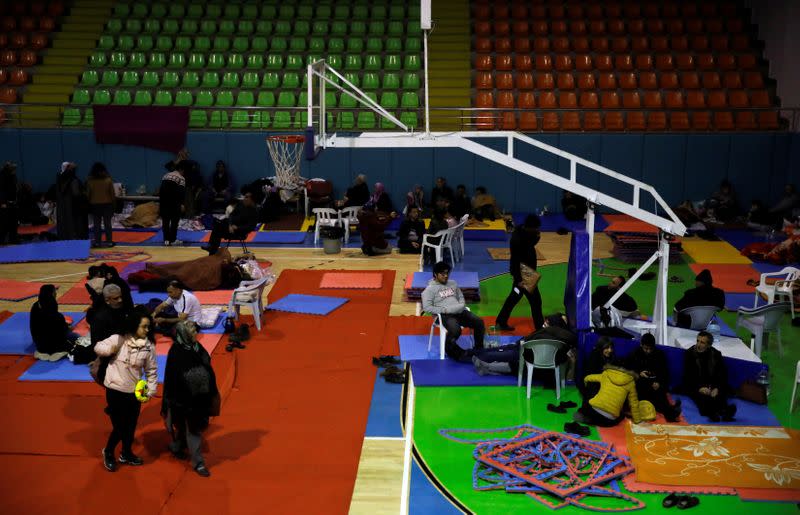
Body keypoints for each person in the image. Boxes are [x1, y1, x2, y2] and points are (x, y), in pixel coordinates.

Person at [96, 309, 158, 472]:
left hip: (134, 393)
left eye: (148, 327)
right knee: (120, 427)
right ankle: (108, 452)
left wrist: (150, 391)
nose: (147, 330)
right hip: (115, 391)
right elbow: (98, 347)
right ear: (133, 326)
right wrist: (108, 349)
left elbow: (151, 371)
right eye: (144, 327)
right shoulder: (118, 339)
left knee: (131, 426)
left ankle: (126, 453)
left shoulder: (149, 346)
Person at [161, 321, 219, 477]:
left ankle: (184, 452)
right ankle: (193, 459)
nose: (196, 334)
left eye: (195, 331)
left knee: (192, 429)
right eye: (192, 332)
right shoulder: (176, 353)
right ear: (184, 335)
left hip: (199, 399)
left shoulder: (197, 347)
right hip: (181, 400)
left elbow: (207, 365)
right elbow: (172, 378)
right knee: (186, 427)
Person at [471, 314, 576, 377]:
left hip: (527, 354)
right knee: (505, 351)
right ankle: (482, 359)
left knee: (506, 353)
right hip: (529, 353)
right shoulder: (562, 337)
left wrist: (521, 344)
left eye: (547, 322)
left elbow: (530, 341)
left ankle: (481, 358)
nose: (545, 323)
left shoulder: (549, 333)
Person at [421, 261, 485, 361]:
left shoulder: (453, 283)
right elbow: (427, 307)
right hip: (445, 316)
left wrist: (461, 305)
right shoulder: (430, 290)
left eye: (447, 273)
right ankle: (452, 351)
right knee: (455, 330)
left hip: (460, 312)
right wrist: (444, 310)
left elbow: (461, 297)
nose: (446, 276)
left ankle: (479, 350)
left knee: (479, 322)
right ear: (435, 274)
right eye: (442, 274)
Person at [495, 214, 544, 331]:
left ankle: (501, 321)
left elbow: (531, 244)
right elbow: (516, 260)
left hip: (525, 272)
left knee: (514, 296)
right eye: (536, 228)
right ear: (530, 228)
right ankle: (540, 328)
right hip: (524, 274)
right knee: (536, 301)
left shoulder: (523, 231)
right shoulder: (519, 240)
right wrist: (519, 279)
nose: (538, 230)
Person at [625, 333, 682, 422]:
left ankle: (670, 413)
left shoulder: (659, 355)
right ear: (641, 345)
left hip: (655, 383)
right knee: (636, 395)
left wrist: (659, 382)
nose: (648, 351)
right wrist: (639, 373)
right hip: (640, 383)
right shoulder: (635, 353)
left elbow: (664, 373)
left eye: (650, 349)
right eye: (646, 348)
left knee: (660, 396)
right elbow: (628, 369)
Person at [682, 331, 737, 422]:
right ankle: (712, 412)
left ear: (709, 345)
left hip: (712, 384)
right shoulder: (689, 353)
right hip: (696, 385)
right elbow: (688, 376)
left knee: (721, 393)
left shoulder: (716, 354)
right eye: (698, 341)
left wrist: (716, 388)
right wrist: (699, 388)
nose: (698, 344)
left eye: (702, 342)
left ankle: (725, 411)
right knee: (701, 397)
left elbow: (722, 374)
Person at [575, 364, 647, 427]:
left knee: (586, 405)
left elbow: (588, 378)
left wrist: (585, 384)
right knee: (622, 415)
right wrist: (637, 420)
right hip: (608, 421)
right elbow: (634, 403)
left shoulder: (606, 374)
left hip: (593, 412)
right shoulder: (631, 382)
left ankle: (588, 417)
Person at [29, 284, 79, 361]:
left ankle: (43, 352)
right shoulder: (57, 316)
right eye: (55, 292)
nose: (56, 294)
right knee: (76, 337)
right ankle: (60, 352)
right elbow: (62, 332)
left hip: (39, 344)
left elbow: (33, 327)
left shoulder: (35, 307)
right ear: (52, 294)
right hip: (56, 346)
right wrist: (68, 328)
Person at [201, 190, 259, 255]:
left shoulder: (254, 212)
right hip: (230, 228)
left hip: (240, 232)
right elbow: (231, 215)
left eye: (246, 197)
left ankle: (212, 250)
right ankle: (212, 249)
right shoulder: (241, 204)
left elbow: (251, 227)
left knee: (217, 229)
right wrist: (230, 225)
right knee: (217, 224)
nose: (244, 199)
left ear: (252, 200)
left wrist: (237, 227)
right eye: (244, 197)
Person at [85, 284, 132, 364]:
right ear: (107, 300)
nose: (120, 300)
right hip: (108, 348)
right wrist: (98, 358)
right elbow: (96, 341)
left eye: (120, 297)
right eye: (116, 298)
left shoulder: (122, 308)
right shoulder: (99, 317)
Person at [55, 161, 88, 240]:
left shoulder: (59, 178)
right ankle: (75, 237)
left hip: (63, 205)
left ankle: (66, 236)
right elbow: (76, 193)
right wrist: (83, 194)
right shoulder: (73, 179)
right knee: (75, 222)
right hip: (73, 205)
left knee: (65, 222)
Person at [86, 162, 116, 248]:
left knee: (96, 224)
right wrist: (114, 206)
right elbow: (112, 195)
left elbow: (88, 195)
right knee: (107, 224)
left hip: (95, 205)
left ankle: (97, 242)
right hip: (107, 204)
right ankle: (109, 241)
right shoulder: (108, 180)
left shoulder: (90, 181)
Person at [159, 160, 187, 247]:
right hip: (174, 201)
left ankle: (166, 240)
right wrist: (181, 204)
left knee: (165, 221)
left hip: (163, 201)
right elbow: (180, 192)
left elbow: (161, 190)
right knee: (174, 221)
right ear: (182, 170)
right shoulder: (181, 178)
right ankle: (173, 239)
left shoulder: (165, 175)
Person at [0, 161, 19, 244]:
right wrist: (2, 202)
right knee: (4, 223)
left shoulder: (13, 176)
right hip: (5, 203)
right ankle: (1, 240)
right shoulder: (2, 176)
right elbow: (1, 190)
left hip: (13, 202)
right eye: (12, 168)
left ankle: (13, 239)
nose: (14, 169)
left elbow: (14, 189)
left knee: (14, 223)